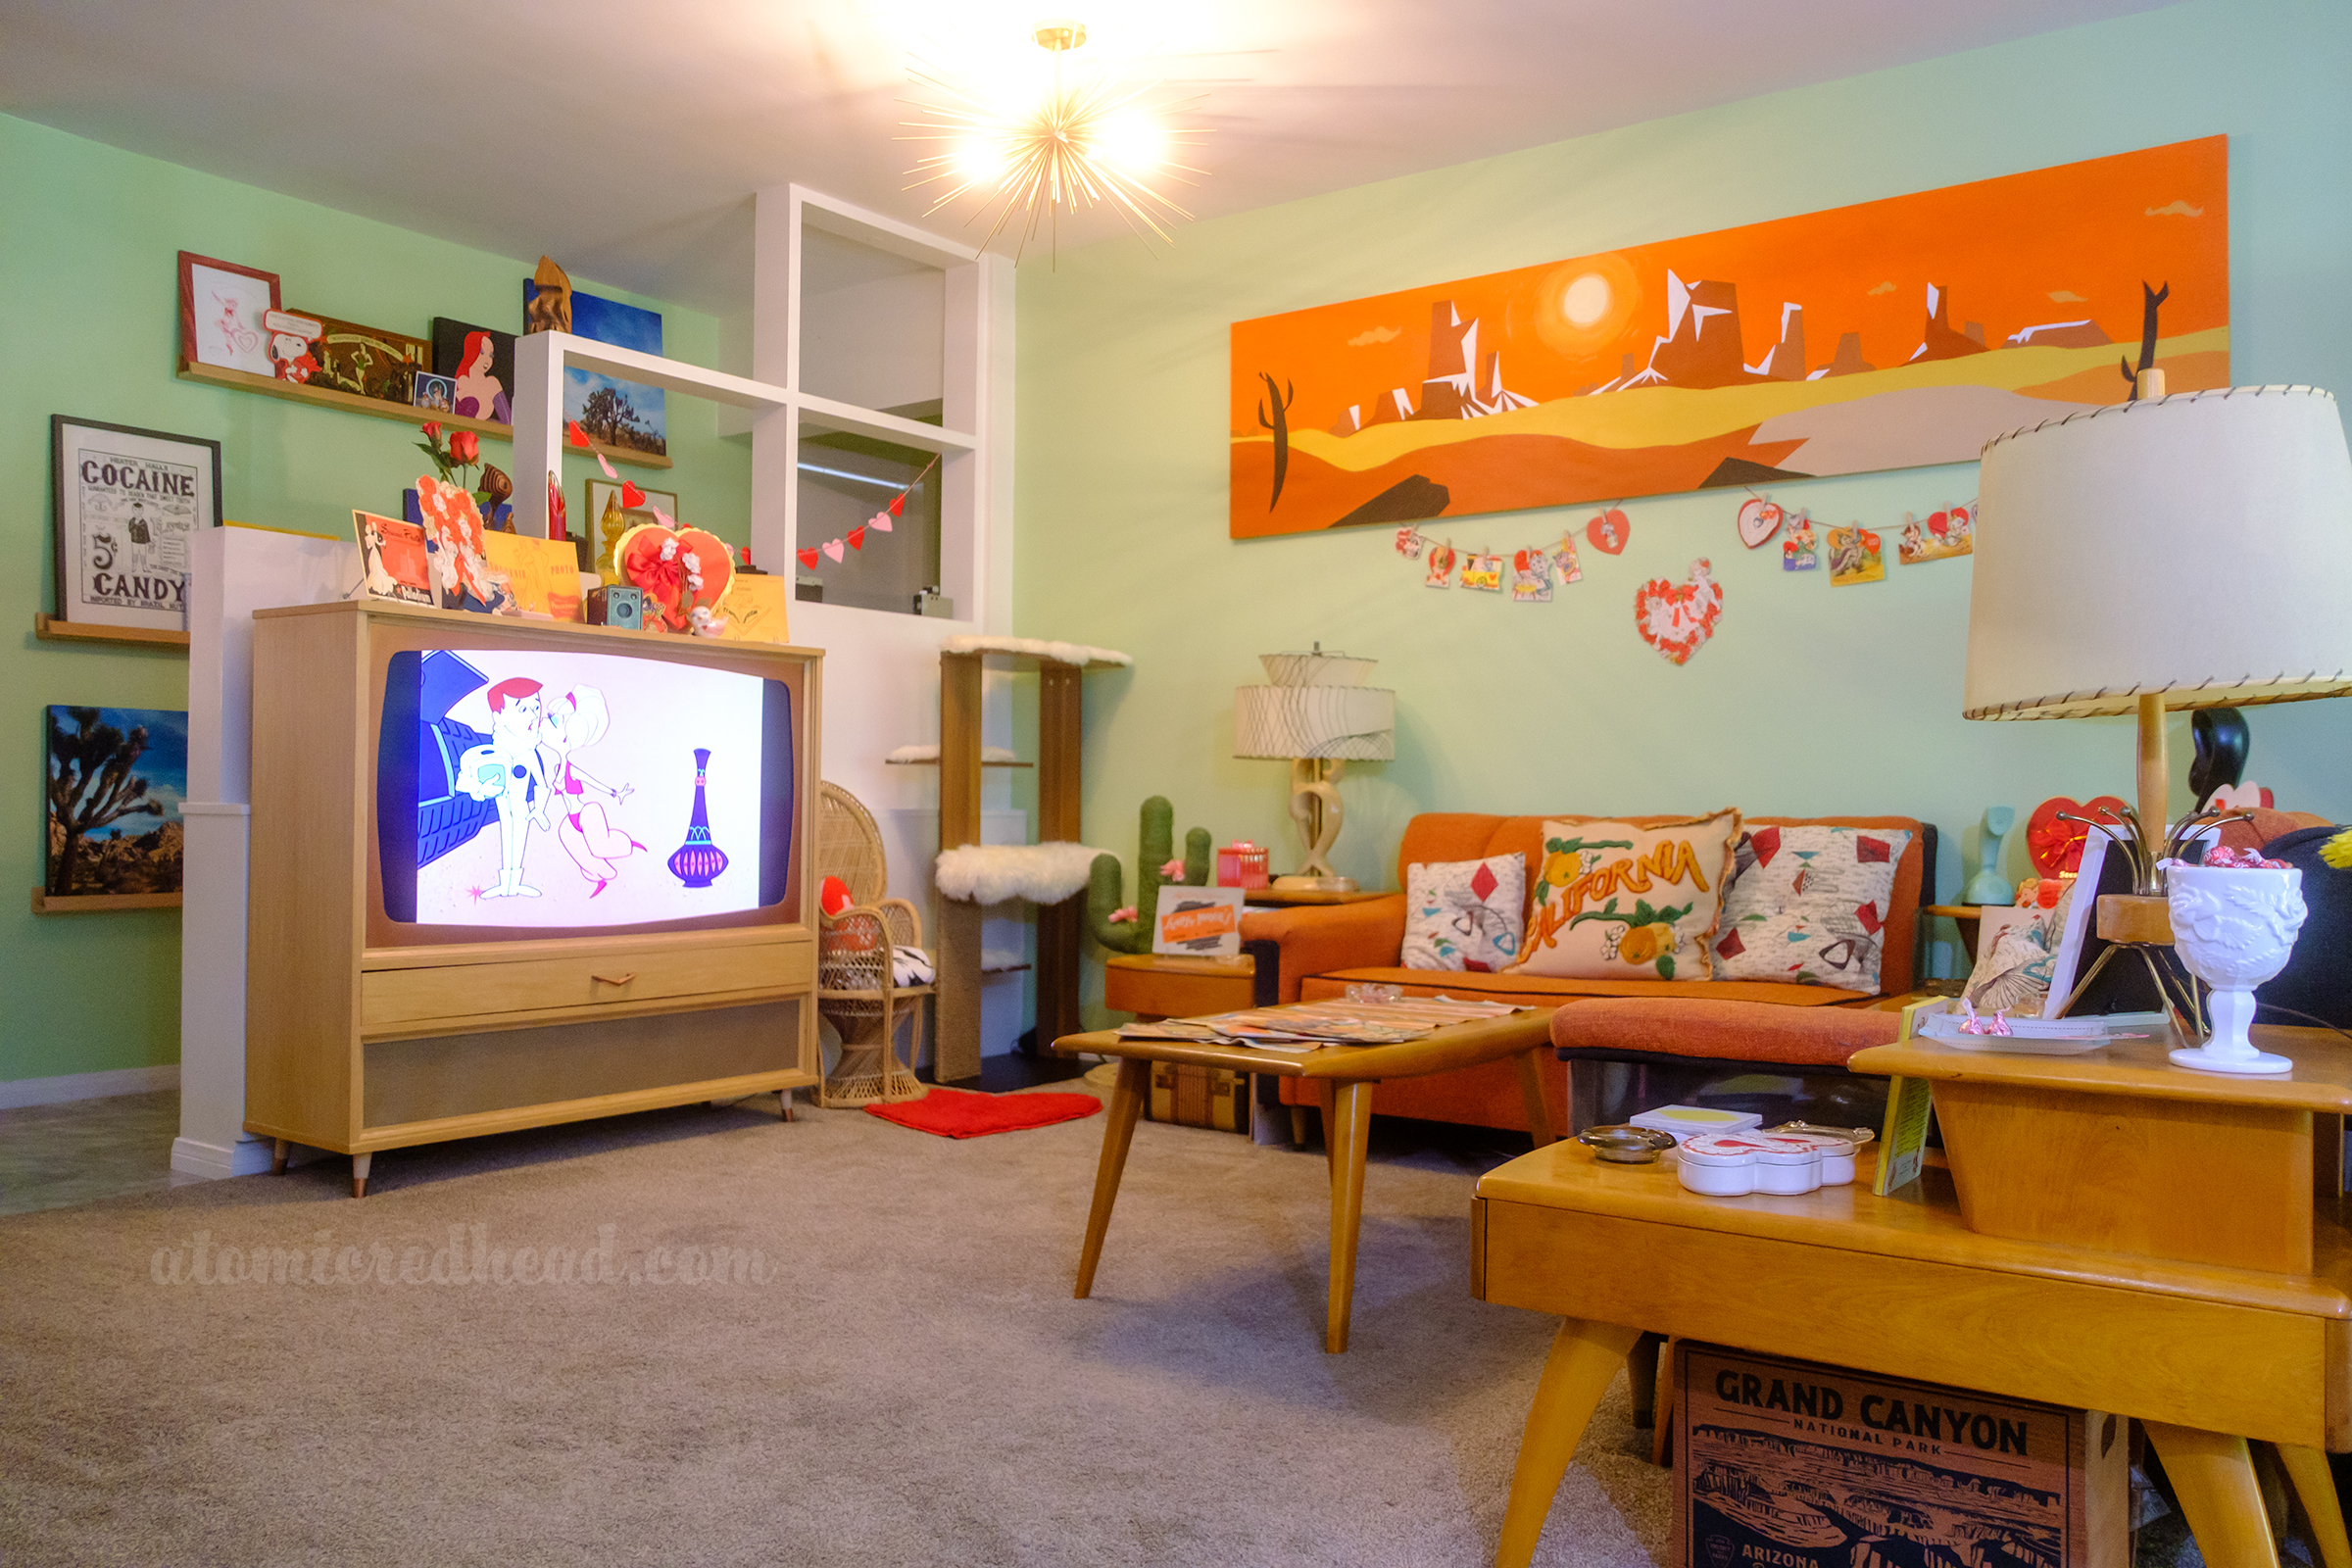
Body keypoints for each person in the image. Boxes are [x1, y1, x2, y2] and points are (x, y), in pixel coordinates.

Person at [538, 687, 644, 896]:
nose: (544, 720)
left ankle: (627, 844)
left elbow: (592, 781)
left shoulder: (570, 769)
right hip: (571, 817)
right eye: (550, 717)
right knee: (572, 842)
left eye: (553, 720)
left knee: (599, 847)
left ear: (566, 737)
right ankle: (602, 875)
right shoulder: (557, 768)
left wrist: (615, 793)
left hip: (586, 812)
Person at [455, 676, 550, 897]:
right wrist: (479, 790)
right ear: (499, 717)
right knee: (507, 837)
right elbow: (462, 780)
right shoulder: (491, 751)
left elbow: (542, 784)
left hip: (523, 812)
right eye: (523, 709)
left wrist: (539, 808)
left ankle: (513, 886)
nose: (534, 715)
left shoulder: (530, 753)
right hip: (502, 809)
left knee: (519, 840)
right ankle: (505, 887)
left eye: (536, 707)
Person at [451, 330, 511, 424]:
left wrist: (483, 424)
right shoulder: (461, 380)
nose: (487, 360)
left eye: (491, 355)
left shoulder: (491, 383)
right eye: (481, 353)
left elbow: (507, 420)